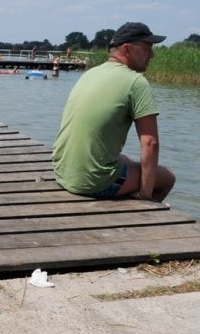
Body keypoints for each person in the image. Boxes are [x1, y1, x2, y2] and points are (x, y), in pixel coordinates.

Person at [52, 22, 175, 202]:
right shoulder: (136, 82)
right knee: (167, 178)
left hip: (63, 173)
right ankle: (142, 211)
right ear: (126, 49)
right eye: (147, 47)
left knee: (124, 159)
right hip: (92, 183)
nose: (152, 55)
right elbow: (150, 143)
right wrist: (145, 195)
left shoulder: (90, 73)